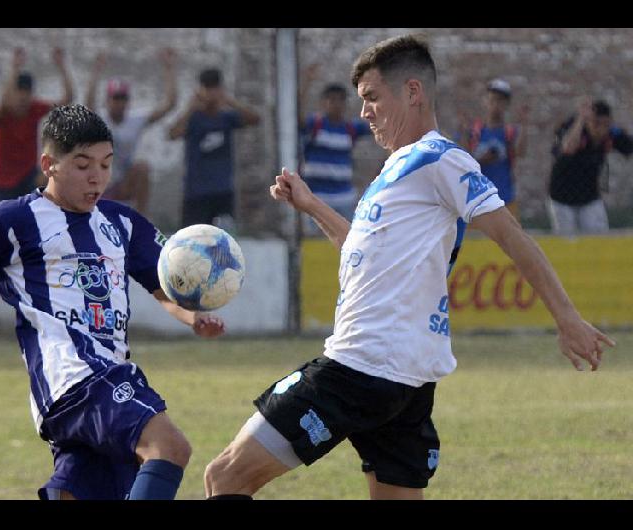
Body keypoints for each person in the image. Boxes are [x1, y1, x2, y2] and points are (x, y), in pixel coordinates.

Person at [203, 34, 615, 501]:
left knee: (225, 478)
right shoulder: (392, 174)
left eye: (372, 98)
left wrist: (567, 319)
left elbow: (512, 236)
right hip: (404, 382)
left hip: (359, 367)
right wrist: (311, 205)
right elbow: (362, 252)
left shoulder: (441, 159)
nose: (364, 112)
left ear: (413, 92)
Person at [0, 104, 227, 500]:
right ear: (49, 164)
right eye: (83, 165)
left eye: (105, 165)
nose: (97, 178)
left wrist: (193, 317)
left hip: (97, 381)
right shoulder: (13, 221)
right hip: (75, 377)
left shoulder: (122, 222)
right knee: (170, 448)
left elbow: (162, 287)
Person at [85, 48, 178, 215]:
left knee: (142, 167)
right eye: (115, 98)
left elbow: (169, 105)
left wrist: (169, 68)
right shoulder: (100, 119)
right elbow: (88, 104)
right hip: (98, 183)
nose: (119, 103)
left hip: (123, 182)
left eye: (123, 98)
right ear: (108, 100)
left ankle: (141, 222)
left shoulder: (135, 121)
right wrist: (95, 71)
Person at [168, 68, 260, 230]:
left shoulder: (226, 117)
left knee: (222, 243)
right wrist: (189, 109)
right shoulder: (193, 118)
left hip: (222, 192)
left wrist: (230, 101)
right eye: (207, 88)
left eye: (214, 88)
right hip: (195, 193)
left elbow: (255, 119)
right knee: (192, 242)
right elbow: (173, 134)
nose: (210, 93)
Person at [0, 47, 74, 202]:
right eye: (19, 92)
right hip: (4, 183)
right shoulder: (0, 115)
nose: (23, 97)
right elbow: (3, 102)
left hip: (28, 178)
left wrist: (62, 66)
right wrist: (14, 68)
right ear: (13, 93)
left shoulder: (34, 108)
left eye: (26, 93)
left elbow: (68, 99)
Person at [299, 63, 371, 236]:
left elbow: (380, 125)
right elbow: (295, 115)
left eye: (340, 100)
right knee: (314, 244)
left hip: (344, 198)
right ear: (323, 103)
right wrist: (306, 83)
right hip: (317, 198)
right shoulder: (315, 125)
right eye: (331, 100)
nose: (336, 104)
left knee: (349, 240)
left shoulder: (350, 129)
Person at [547, 97, 633, 236]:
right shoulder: (573, 127)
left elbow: (628, 147)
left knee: (599, 237)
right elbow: (568, 148)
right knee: (567, 242)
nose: (600, 129)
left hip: (589, 197)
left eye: (605, 125)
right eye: (596, 123)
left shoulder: (611, 134)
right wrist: (581, 119)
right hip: (562, 198)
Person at [457, 78, 528, 219]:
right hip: (476, 200)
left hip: (504, 198)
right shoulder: (474, 131)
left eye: (501, 101)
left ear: (506, 105)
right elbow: (463, 159)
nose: (496, 105)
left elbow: (520, 153)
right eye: (492, 100)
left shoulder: (509, 132)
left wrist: (524, 126)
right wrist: (464, 132)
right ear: (485, 101)